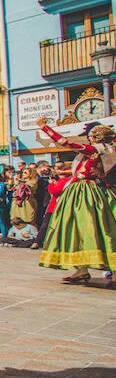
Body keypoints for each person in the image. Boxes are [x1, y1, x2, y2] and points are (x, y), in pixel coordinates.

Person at [36, 118, 115, 286]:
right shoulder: (109, 150)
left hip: (84, 193)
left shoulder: (95, 149)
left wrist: (44, 126)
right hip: (95, 190)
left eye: (90, 135)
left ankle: (92, 270)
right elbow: (88, 168)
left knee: (81, 229)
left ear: (95, 137)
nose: (88, 138)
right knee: (100, 230)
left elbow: (63, 142)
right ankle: (83, 270)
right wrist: (66, 171)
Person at [32, 161, 73, 250]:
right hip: (53, 206)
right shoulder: (61, 180)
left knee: (50, 225)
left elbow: (55, 191)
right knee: (46, 225)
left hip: (58, 206)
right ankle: (39, 241)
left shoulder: (65, 181)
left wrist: (51, 183)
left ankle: (41, 242)